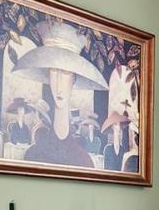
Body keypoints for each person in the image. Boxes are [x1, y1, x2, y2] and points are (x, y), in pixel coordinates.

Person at [10, 23, 108, 168]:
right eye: (54, 71)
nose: (58, 83)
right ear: (48, 76)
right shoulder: (34, 155)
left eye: (66, 73)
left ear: (74, 79)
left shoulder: (83, 161)